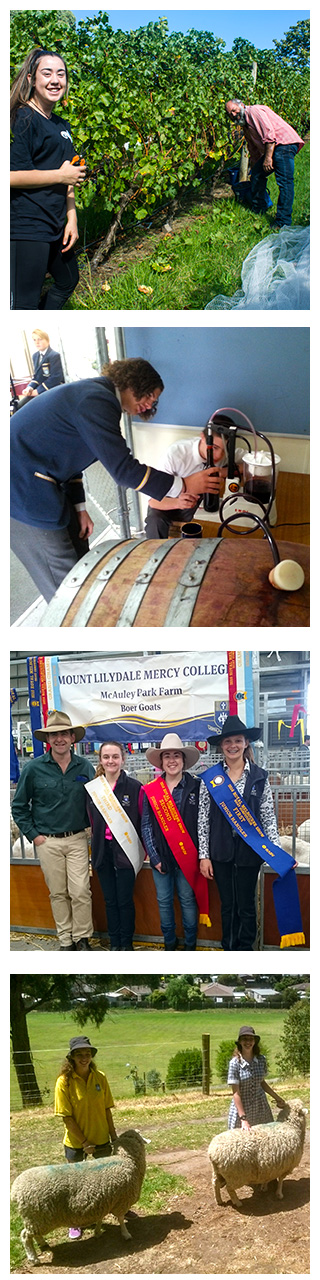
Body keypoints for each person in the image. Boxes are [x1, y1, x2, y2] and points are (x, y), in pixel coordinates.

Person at [10, 357, 217, 604]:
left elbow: (69, 457)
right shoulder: (97, 399)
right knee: (64, 582)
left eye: (155, 400)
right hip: (20, 491)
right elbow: (123, 469)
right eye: (150, 394)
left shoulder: (93, 396)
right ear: (134, 382)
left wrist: (79, 508)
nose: (151, 403)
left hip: (44, 484)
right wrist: (183, 485)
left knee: (81, 564)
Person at [10, 46, 87, 310]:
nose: (55, 80)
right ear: (31, 78)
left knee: (68, 280)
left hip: (55, 224)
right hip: (27, 226)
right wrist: (60, 174)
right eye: (47, 73)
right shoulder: (21, 118)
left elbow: (70, 173)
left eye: (61, 74)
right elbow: (8, 176)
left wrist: (72, 217)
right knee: (24, 303)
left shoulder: (61, 124)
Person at [11, 711, 95, 951]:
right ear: (48, 739)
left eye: (64, 734)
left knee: (80, 890)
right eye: (54, 734)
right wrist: (34, 836)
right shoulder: (33, 769)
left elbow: (98, 799)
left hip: (78, 838)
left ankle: (82, 937)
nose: (59, 739)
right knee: (58, 893)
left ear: (72, 738)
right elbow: (18, 806)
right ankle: (65, 939)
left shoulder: (85, 766)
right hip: (47, 842)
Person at [199, 714, 283, 951]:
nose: (232, 746)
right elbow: (203, 818)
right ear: (221, 745)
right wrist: (204, 855)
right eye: (228, 741)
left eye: (238, 740)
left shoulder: (259, 777)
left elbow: (268, 815)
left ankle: (246, 949)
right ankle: (229, 947)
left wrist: (276, 852)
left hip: (250, 850)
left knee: (246, 904)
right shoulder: (211, 778)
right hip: (221, 850)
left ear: (246, 743)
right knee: (227, 904)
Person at [141, 733, 211, 950]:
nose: (172, 760)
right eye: (167, 756)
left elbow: (203, 822)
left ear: (183, 760)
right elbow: (146, 825)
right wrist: (154, 856)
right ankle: (169, 944)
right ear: (161, 762)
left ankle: (190, 945)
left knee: (187, 900)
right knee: (163, 901)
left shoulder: (197, 787)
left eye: (176, 756)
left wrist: (201, 855)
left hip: (188, 856)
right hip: (161, 857)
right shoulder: (150, 790)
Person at [54, 1035, 117, 1241]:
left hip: (101, 1138)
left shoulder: (100, 1077)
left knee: (106, 1180)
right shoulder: (64, 1082)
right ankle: (76, 1223)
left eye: (87, 1054)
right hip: (75, 1142)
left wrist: (114, 1137)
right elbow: (67, 1118)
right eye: (79, 1054)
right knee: (75, 1185)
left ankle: (113, 1211)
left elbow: (107, 1109)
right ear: (71, 1057)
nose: (84, 1058)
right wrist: (84, 1143)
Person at [145, 415, 244, 538]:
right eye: (215, 448)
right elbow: (153, 501)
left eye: (224, 450)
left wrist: (223, 472)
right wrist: (177, 502)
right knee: (155, 521)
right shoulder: (176, 453)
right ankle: (156, 555)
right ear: (203, 438)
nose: (219, 455)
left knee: (210, 521)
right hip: (167, 503)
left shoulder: (227, 454)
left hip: (195, 505)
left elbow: (250, 463)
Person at [87, 741, 143, 951]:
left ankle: (126, 944)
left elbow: (141, 819)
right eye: (106, 757)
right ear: (100, 760)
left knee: (125, 901)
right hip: (103, 852)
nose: (111, 761)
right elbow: (91, 820)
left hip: (126, 852)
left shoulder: (134, 787)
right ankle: (114, 943)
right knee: (110, 901)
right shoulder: (94, 789)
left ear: (123, 759)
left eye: (115, 756)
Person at [225, 99, 304, 228]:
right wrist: (255, 166)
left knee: (284, 182)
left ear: (242, 105)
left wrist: (268, 159)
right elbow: (253, 148)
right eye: (229, 113)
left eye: (234, 110)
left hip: (284, 144)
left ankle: (283, 222)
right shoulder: (245, 124)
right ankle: (259, 207)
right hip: (275, 146)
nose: (233, 115)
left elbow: (270, 135)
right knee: (256, 174)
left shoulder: (253, 112)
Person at [227, 1025, 286, 1130]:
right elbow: (236, 1093)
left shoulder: (261, 1060)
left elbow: (262, 1082)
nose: (248, 1042)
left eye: (251, 1039)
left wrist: (277, 1098)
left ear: (254, 1042)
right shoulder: (234, 1063)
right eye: (245, 1039)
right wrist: (243, 1119)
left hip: (260, 1107)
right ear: (240, 1042)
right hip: (242, 1109)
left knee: (265, 1140)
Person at [25, 329, 65, 396]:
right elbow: (37, 377)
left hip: (53, 390)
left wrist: (38, 391)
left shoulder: (54, 355)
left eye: (40, 339)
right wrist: (29, 387)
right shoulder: (35, 356)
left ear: (47, 340)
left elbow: (56, 378)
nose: (37, 342)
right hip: (42, 391)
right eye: (34, 340)